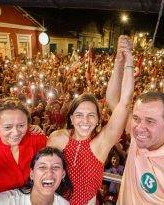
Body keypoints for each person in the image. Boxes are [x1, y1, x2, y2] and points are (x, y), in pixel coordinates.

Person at [47, 35, 134, 204]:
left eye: (91, 115)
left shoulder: (101, 143)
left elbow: (124, 101)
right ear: (71, 118)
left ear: (98, 120)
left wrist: (124, 60)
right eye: (79, 115)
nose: (84, 120)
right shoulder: (57, 138)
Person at [0, 147, 72, 205]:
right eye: (42, 167)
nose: (49, 173)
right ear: (32, 174)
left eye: (55, 167)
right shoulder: (5, 201)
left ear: (63, 174)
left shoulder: (63, 203)